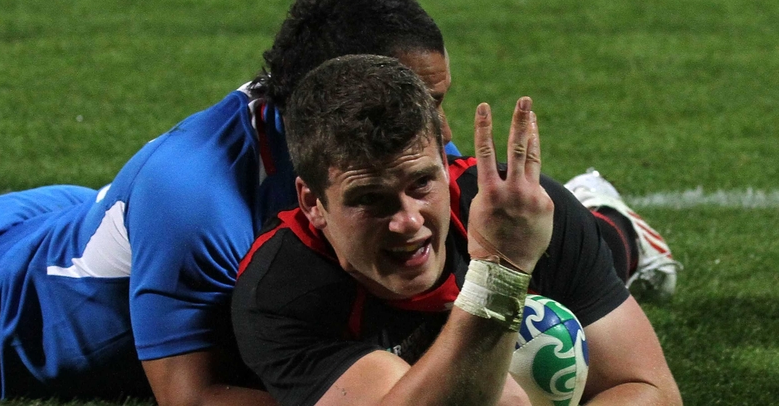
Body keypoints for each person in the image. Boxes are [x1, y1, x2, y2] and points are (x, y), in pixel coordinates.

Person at [0, 0, 679, 403]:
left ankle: (608, 224)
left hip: (75, 213)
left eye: (434, 102)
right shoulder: (198, 200)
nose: (440, 131)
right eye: (421, 101)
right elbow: (191, 398)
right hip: (8, 288)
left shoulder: (383, 142)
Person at [232, 54, 683, 405]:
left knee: (599, 240)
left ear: (446, 167)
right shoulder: (280, 293)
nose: (408, 221)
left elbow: (651, 389)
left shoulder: (518, 212)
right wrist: (500, 274)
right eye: (370, 198)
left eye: (422, 183)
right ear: (313, 203)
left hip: (564, 236)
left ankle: (617, 222)